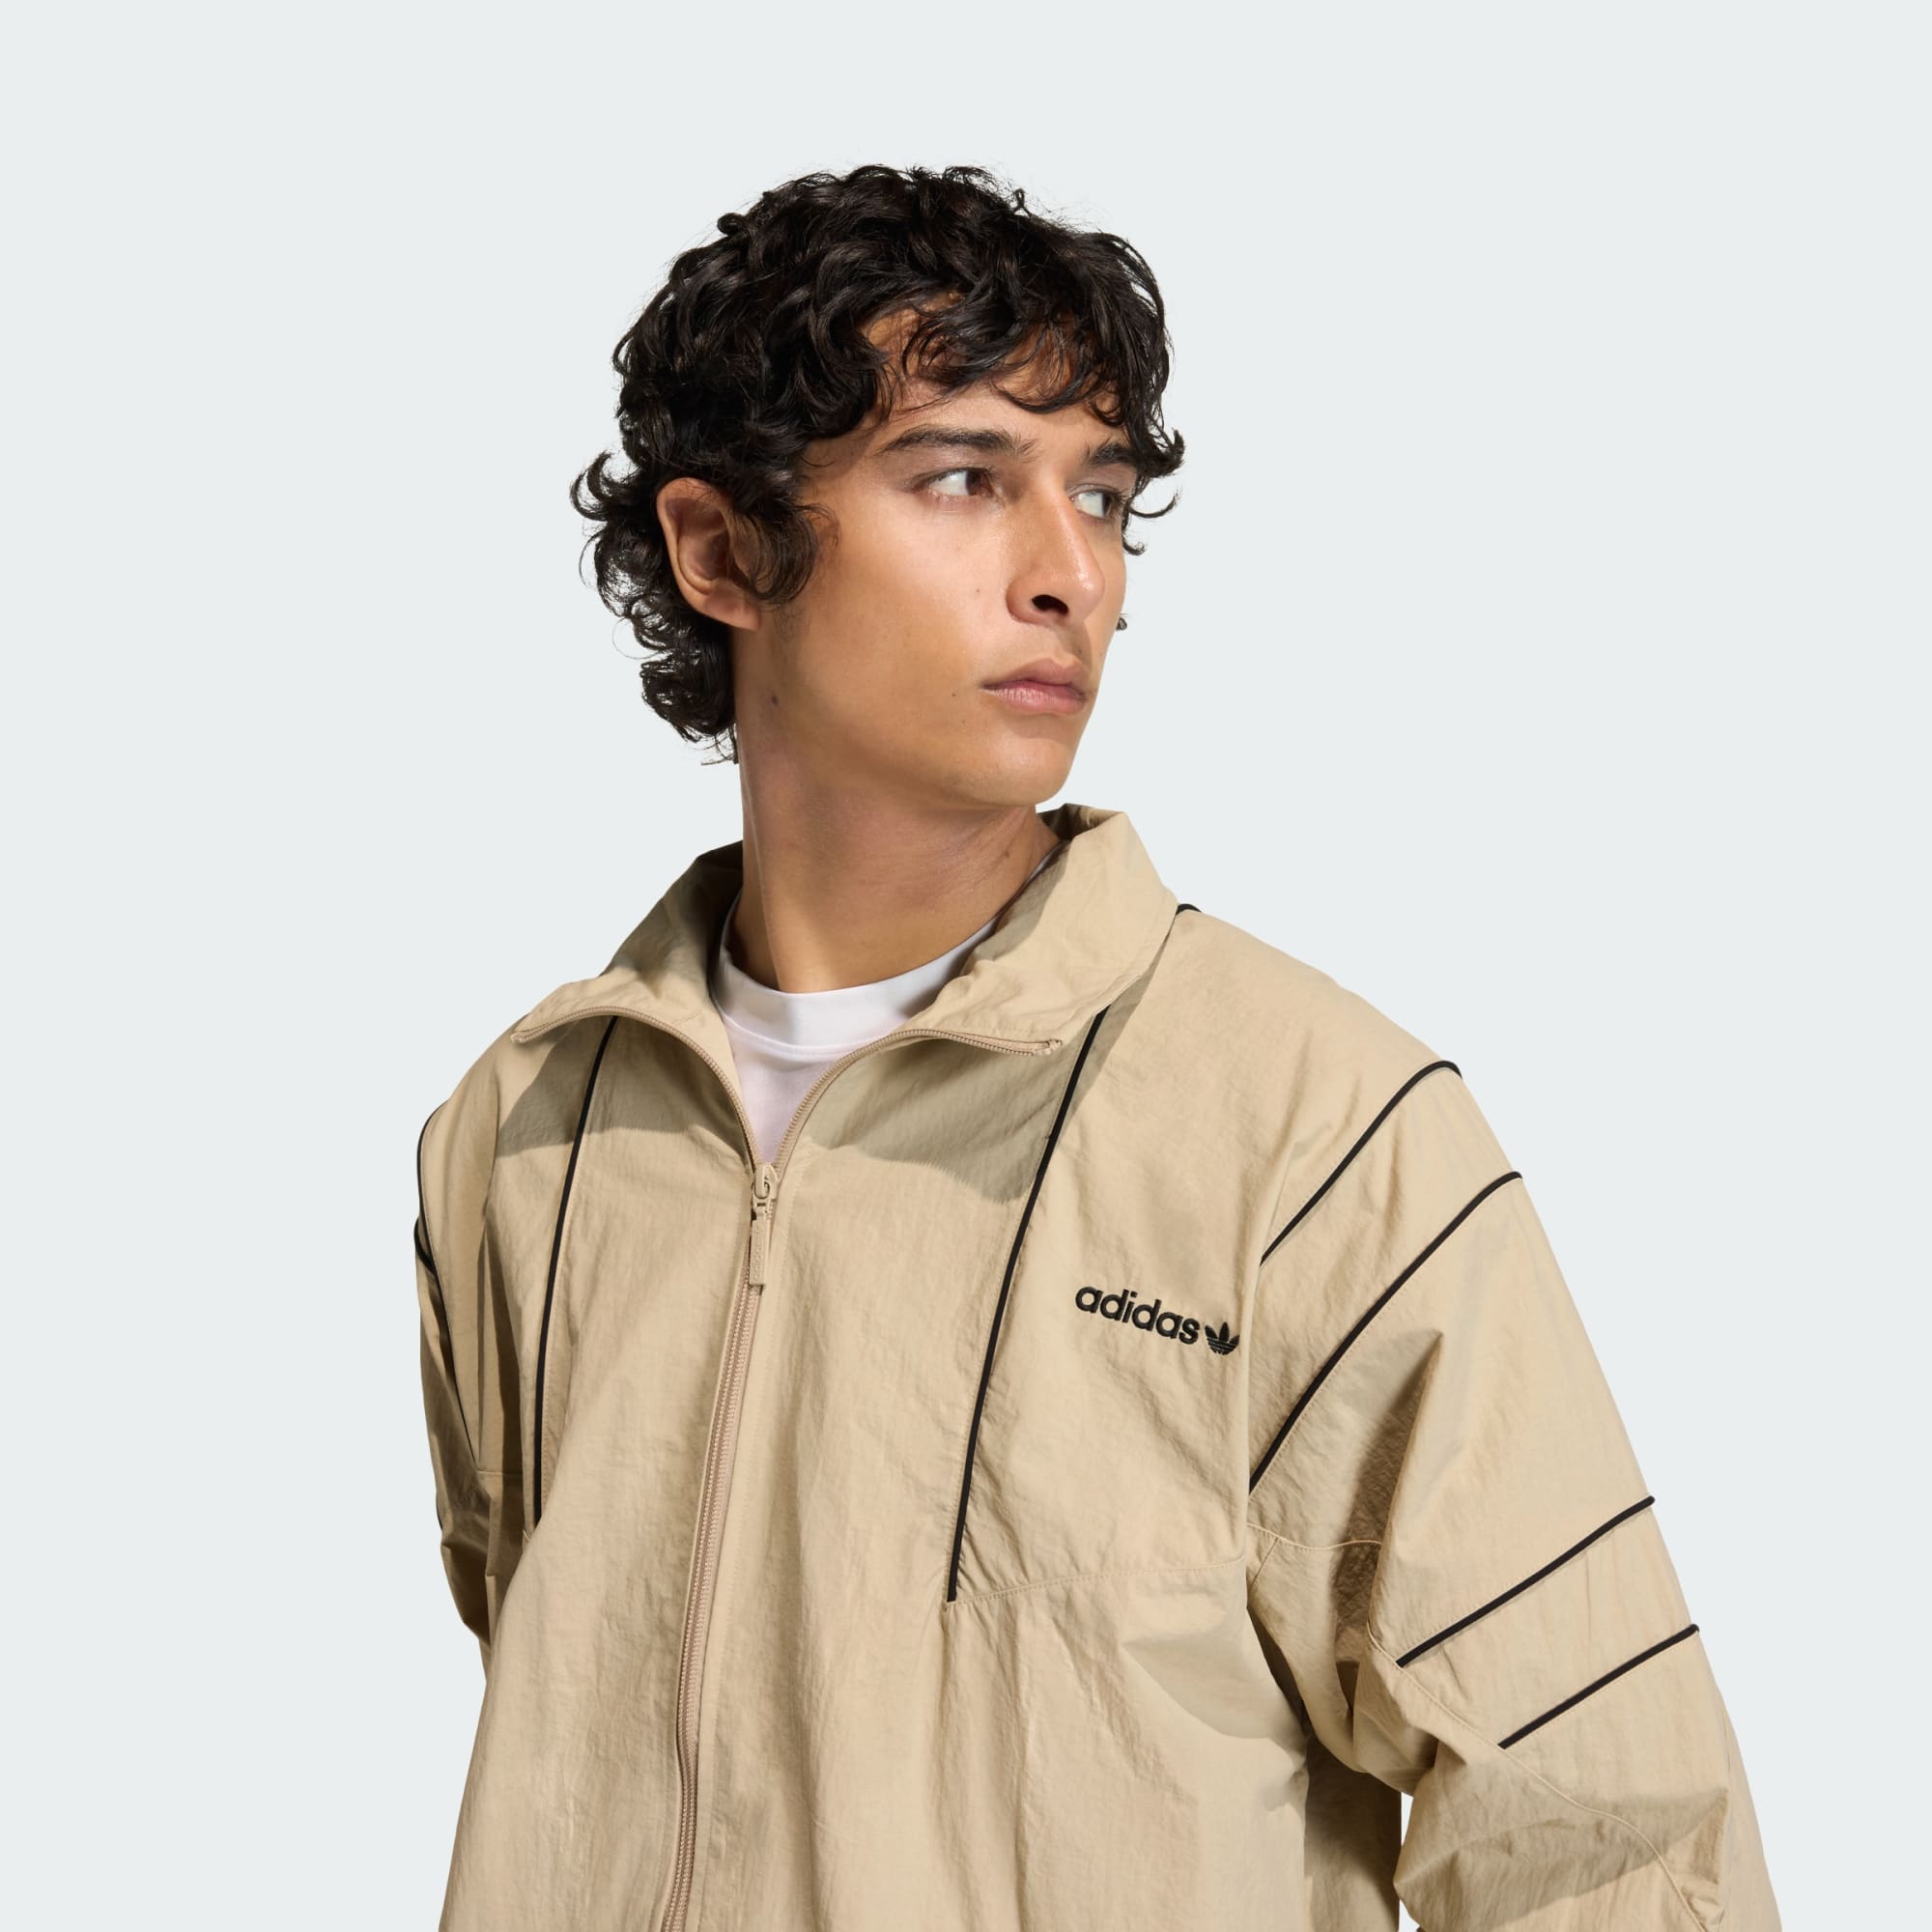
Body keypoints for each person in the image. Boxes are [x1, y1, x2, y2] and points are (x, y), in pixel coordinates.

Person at [411, 162, 1780, 1930]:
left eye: (1105, 495)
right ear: (723, 549)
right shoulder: (528, 1136)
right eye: (964, 477)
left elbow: (1609, 1846)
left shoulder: (1317, 1136)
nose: (1073, 574)